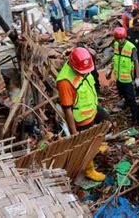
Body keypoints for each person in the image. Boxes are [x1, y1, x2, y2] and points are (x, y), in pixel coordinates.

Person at [56, 47, 109, 181]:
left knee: (106, 121)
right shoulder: (65, 81)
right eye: (81, 72)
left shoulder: (84, 67)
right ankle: (89, 170)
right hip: (82, 118)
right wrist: (74, 133)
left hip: (93, 109)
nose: (84, 74)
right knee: (86, 145)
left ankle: (98, 146)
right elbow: (67, 109)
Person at [108, 27, 139, 124]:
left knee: (131, 98)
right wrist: (110, 70)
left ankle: (135, 117)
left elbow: (136, 62)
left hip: (127, 79)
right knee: (122, 94)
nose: (121, 40)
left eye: (122, 38)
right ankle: (126, 105)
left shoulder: (131, 47)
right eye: (118, 39)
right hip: (119, 77)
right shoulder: (116, 45)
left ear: (125, 37)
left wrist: (137, 77)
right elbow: (115, 59)